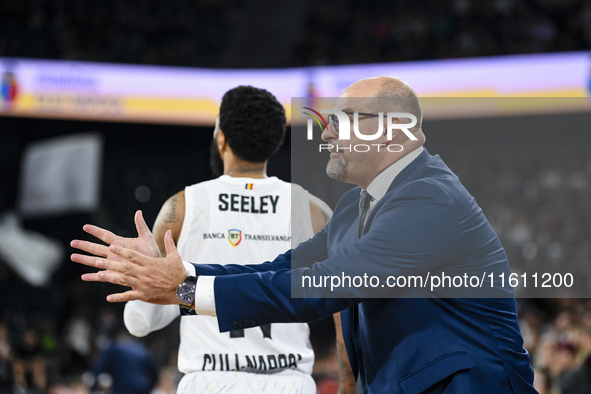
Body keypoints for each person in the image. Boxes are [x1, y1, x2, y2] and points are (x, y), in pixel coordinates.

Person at [72, 76, 537, 393]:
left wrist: (186, 290)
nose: (327, 132)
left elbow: (322, 287)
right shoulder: (358, 205)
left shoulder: (428, 199)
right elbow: (286, 267)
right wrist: (177, 271)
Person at [73, 86, 336, 393]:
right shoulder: (314, 211)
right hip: (289, 381)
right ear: (275, 143)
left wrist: (147, 274)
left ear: (221, 138)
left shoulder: (183, 206)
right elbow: (345, 305)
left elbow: (140, 323)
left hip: (211, 380)